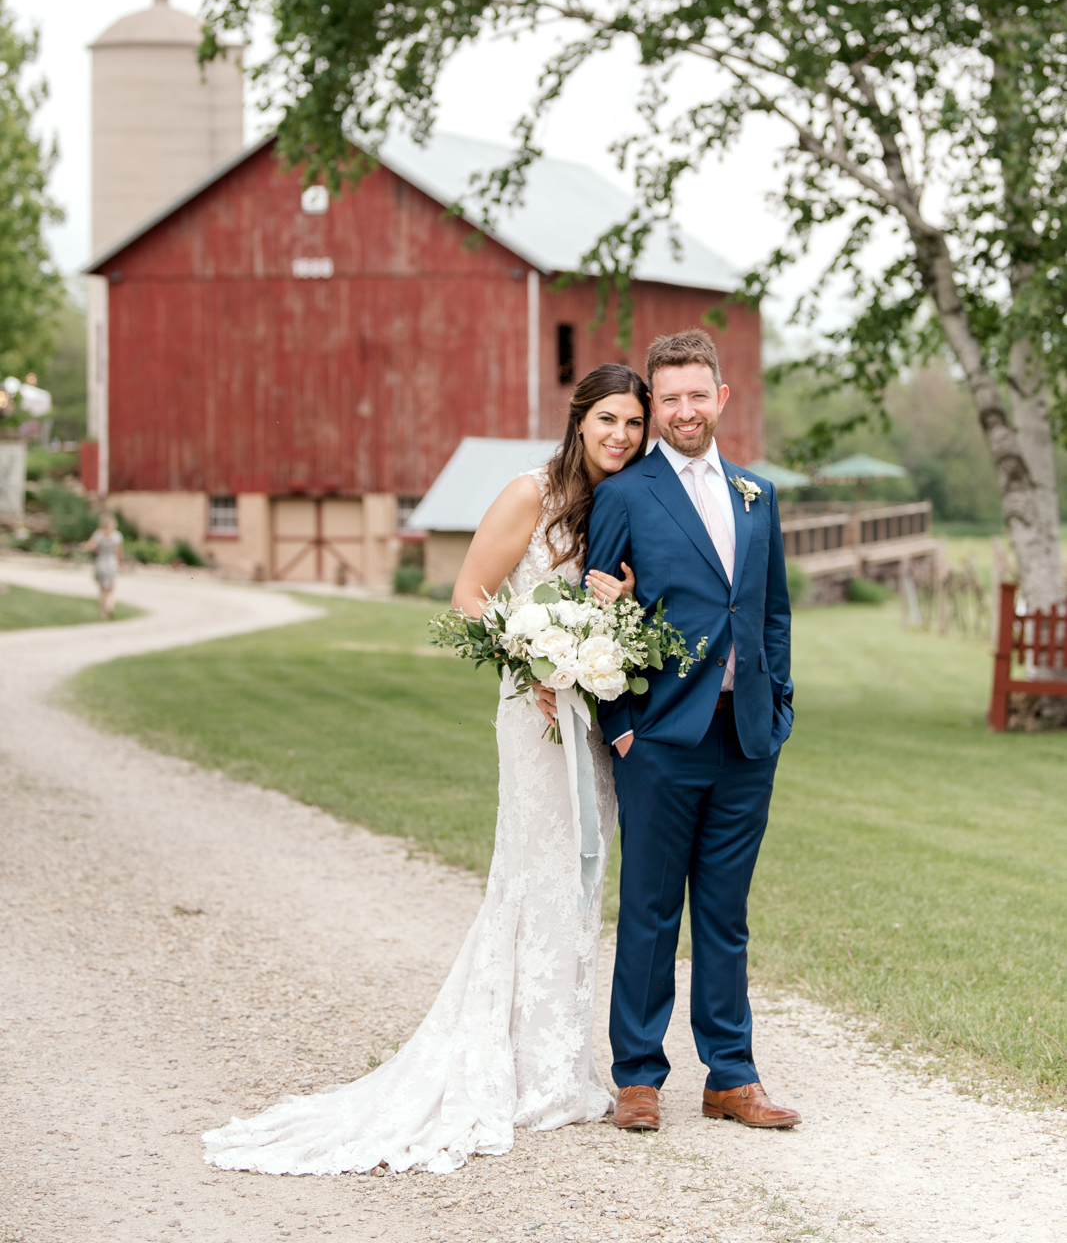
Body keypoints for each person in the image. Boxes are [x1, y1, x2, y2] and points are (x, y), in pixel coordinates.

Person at [202, 363, 649, 1176]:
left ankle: (556, 1067)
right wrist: (535, 662)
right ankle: (518, 1069)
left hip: (590, 718)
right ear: (579, 419)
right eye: (608, 419)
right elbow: (469, 597)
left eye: (632, 424)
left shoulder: (623, 502)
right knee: (533, 874)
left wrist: (607, 624)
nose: (620, 436)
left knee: (581, 879)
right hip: (536, 715)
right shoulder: (531, 494)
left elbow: (623, 603)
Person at [583, 328, 799, 1133]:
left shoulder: (756, 494)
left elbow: (770, 612)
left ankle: (730, 1077)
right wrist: (622, 725)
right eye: (666, 398)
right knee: (648, 910)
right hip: (660, 738)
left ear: (721, 398)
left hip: (745, 738)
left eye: (694, 395)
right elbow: (593, 614)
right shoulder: (626, 495)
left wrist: (777, 707)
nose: (682, 410)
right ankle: (637, 1078)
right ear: (653, 402)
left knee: (724, 911)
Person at [84, 511, 123, 620]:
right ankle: (109, 605)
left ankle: (103, 614)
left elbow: (89, 547)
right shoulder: (117, 536)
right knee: (111, 588)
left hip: (100, 563)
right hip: (111, 563)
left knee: (102, 590)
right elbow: (119, 552)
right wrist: (121, 564)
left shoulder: (98, 535)